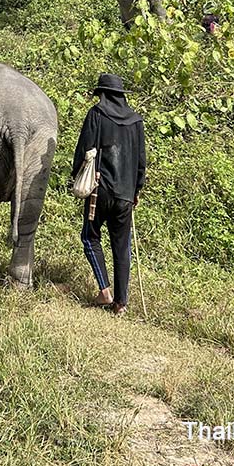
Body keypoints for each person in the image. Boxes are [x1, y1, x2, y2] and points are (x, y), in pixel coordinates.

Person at [72, 73, 146, 315]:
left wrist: (76, 176)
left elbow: (85, 149)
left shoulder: (97, 114)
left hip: (99, 191)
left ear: (103, 94)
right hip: (126, 194)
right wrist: (136, 190)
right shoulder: (136, 121)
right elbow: (140, 162)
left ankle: (104, 291)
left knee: (90, 237)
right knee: (122, 247)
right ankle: (121, 303)